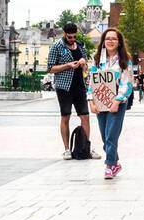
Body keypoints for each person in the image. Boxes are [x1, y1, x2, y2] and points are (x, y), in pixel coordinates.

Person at [47, 22, 98, 160]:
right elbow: (50, 68)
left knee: (85, 117)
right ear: (64, 34)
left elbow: (86, 67)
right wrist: (68, 65)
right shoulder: (57, 47)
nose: (72, 39)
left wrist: (83, 63)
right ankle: (67, 149)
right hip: (64, 87)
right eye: (69, 37)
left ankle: (85, 148)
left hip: (80, 85)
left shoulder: (81, 45)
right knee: (66, 116)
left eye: (74, 36)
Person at [89, 28, 134, 181]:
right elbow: (91, 82)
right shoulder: (96, 60)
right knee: (104, 135)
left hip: (117, 103)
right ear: (103, 41)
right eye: (107, 38)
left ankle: (109, 166)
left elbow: (127, 83)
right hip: (100, 102)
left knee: (111, 135)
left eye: (114, 38)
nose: (110, 41)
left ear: (119, 42)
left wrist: (117, 101)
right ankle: (115, 163)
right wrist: (91, 101)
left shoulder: (125, 60)